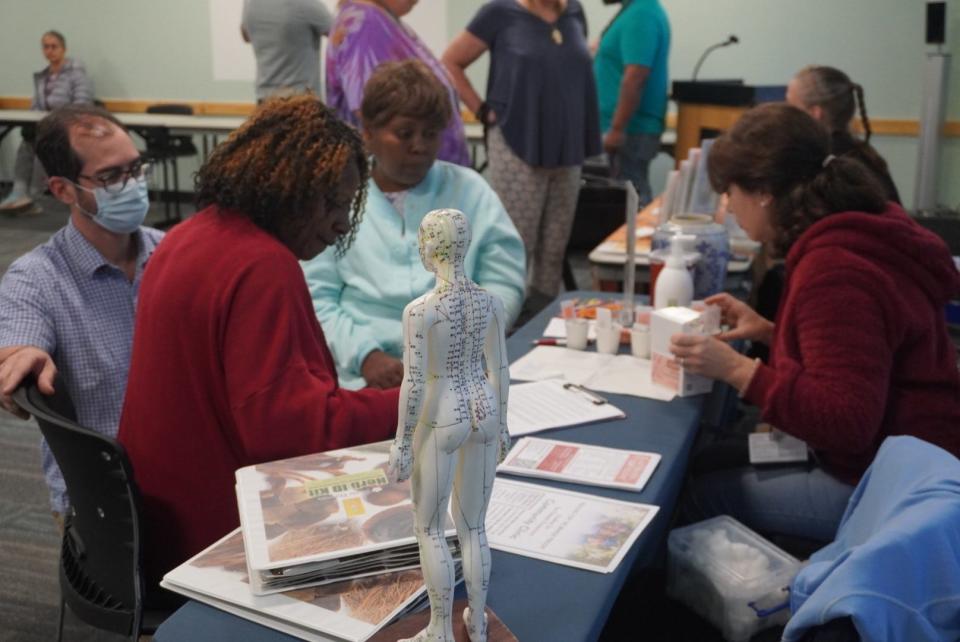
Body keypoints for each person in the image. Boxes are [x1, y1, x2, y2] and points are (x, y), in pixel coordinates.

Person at [118, 95, 401, 587]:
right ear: (284, 186)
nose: (341, 224)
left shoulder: (187, 234)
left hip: (150, 520)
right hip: (216, 535)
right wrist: (418, 400)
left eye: (349, 204)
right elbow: (295, 436)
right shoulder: (263, 266)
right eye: (331, 202)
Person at [670, 103, 960, 543]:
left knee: (691, 495)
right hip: (912, 453)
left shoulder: (834, 271)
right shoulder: (860, 229)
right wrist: (770, 331)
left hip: (888, 485)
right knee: (706, 457)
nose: (728, 208)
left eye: (730, 192)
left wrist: (736, 369)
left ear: (764, 190)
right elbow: (861, 354)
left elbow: (845, 420)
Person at [303, 60, 525, 391]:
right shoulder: (338, 197)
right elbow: (315, 297)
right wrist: (366, 356)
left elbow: (504, 281)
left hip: (459, 371)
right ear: (368, 133)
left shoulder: (470, 190)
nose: (419, 146)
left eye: (430, 134)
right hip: (360, 374)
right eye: (404, 134)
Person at [0, 105, 162, 528]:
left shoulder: (173, 255)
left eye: (136, 168)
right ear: (63, 189)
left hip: (183, 475)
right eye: (110, 177)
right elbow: (18, 345)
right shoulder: (37, 278)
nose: (132, 185)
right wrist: (22, 358)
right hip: (99, 498)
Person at [387, 209, 510, 642]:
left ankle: (439, 630)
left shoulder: (421, 311)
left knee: (431, 528)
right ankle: (476, 623)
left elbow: (415, 381)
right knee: (474, 527)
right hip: (484, 410)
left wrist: (402, 442)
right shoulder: (491, 302)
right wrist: (505, 424)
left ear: (428, 248)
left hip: (443, 416)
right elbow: (500, 369)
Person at [443, 0, 601, 298]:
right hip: (516, 142)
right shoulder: (499, 13)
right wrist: (481, 111)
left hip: (567, 148)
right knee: (516, 247)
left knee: (555, 250)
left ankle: (542, 326)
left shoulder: (574, 12)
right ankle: (504, 329)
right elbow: (450, 62)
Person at [326, 0, 469, 166]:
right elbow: (373, 110)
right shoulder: (367, 24)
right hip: (405, 178)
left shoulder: (377, 19)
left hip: (422, 177)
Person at [0, 30, 93, 214]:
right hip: (45, 126)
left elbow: (83, 105)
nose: (49, 51)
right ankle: (19, 191)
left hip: (67, 127)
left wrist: (56, 119)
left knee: (43, 143)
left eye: (54, 46)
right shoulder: (41, 76)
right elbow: (37, 105)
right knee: (27, 141)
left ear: (63, 49)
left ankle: (34, 195)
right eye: (45, 47)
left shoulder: (77, 74)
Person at [786, 65, 900, 204]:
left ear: (815, 113)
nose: (786, 113)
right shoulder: (864, 154)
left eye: (791, 106)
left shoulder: (822, 163)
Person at [593, 0, 670, 205]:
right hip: (622, 129)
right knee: (618, 204)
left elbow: (636, 75)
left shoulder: (642, 14)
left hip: (629, 131)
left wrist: (617, 129)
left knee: (631, 202)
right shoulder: (633, 11)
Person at [241, 0, 332, 102]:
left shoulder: (250, 3)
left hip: (265, 100)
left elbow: (246, 35)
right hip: (301, 102)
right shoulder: (304, 3)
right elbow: (341, 33)